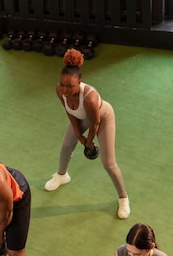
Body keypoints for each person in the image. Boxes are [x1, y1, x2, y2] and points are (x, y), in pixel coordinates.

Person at [44, 48, 130, 219]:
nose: (65, 89)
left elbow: (95, 122)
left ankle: (123, 197)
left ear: (80, 82)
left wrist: (89, 141)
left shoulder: (89, 97)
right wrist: (78, 134)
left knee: (108, 163)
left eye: (70, 86)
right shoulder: (59, 91)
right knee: (66, 147)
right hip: (80, 117)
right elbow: (70, 112)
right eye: (63, 85)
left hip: (102, 118)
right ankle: (62, 175)